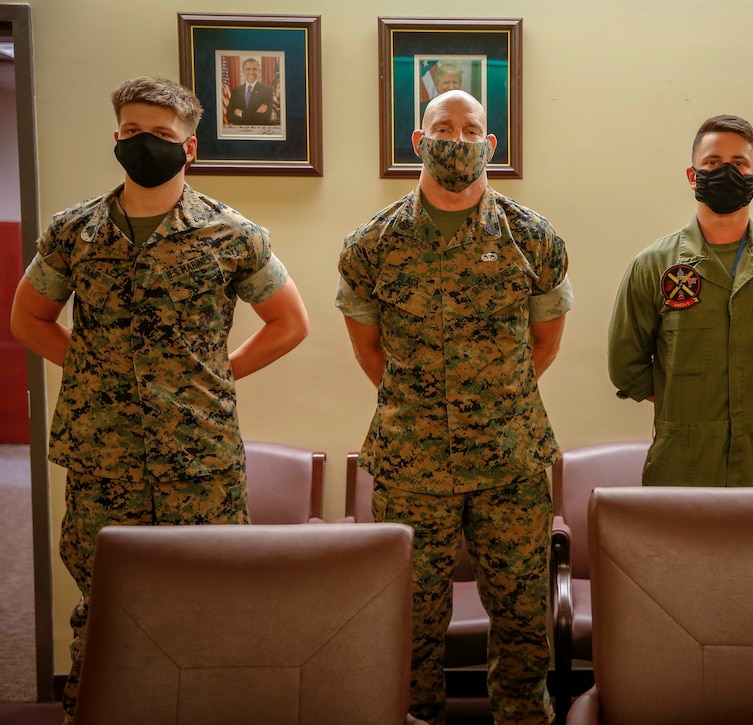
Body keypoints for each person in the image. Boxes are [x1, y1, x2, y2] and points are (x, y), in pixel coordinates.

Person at [9, 76, 309, 723]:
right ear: (117, 137)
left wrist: (217, 373)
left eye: (162, 136)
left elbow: (290, 322)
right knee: (106, 601)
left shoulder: (232, 234)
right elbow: (28, 318)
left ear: (190, 146)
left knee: (211, 601)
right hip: (103, 457)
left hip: (199, 459)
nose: (147, 144)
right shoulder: (73, 232)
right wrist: (95, 369)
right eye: (134, 132)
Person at [336, 89, 572, 725]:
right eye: (444, 128)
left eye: (472, 130)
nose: (458, 140)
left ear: (490, 145)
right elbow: (368, 346)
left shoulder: (534, 238)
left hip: (511, 461)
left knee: (523, 615)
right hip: (412, 465)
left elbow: (544, 343)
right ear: (419, 141)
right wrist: (426, 406)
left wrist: (490, 401)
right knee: (410, 617)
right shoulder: (371, 246)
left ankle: (523, 716)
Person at [607, 114, 753, 487]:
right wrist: (686, 405)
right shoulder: (653, 265)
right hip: (681, 463)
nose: (726, 171)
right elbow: (626, 364)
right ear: (692, 175)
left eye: (739, 163)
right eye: (713, 163)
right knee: (678, 547)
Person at [226, 57, 275, 125]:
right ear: (243, 71)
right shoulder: (236, 91)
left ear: (259, 71)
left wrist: (241, 113)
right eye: (248, 69)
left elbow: (264, 118)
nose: (251, 72)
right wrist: (256, 113)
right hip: (240, 132)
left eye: (254, 69)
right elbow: (229, 116)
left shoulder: (267, 91)